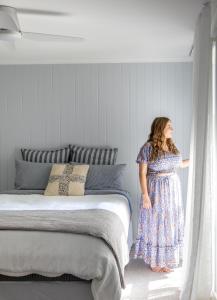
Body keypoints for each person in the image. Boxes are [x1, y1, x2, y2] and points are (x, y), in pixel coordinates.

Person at [133, 117, 190, 273]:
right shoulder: (148, 147)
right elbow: (142, 173)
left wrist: (197, 159)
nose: (172, 129)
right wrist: (145, 195)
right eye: (169, 126)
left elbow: (180, 164)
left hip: (172, 192)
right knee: (156, 224)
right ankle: (154, 261)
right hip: (155, 192)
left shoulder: (171, 146)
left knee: (169, 224)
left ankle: (165, 260)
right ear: (160, 128)